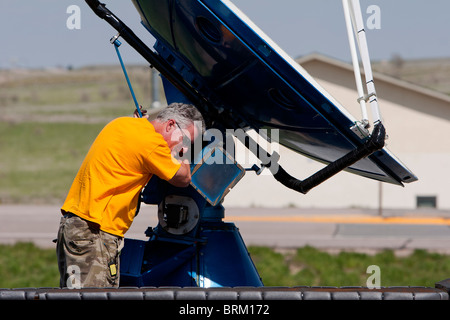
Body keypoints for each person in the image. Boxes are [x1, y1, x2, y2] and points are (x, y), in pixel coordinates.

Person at [56, 102, 205, 288]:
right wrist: (182, 154)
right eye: (185, 141)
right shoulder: (151, 143)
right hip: (95, 235)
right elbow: (183, 178)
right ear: (170, 125)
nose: (184, 147)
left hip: (77, 229)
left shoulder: (122, 124)